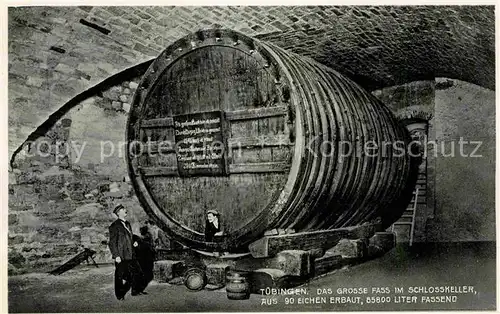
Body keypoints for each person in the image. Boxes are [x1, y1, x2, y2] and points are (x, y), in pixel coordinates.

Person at [108, 204, 145, 300]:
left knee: (137, 272)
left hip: (131, 253)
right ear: (119, 213)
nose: (125, 210)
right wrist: (116, 255)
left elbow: (129, 238)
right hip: (121, 255)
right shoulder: (114, 226)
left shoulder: (127, 224)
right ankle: (119, 295)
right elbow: (112, 243)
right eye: (123, 209)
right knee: (119, 276)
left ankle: (135, 291)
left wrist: (134, 243)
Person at [135, 226, 155, 292]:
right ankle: (140, 289)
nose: (140, 232)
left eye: (141, 230)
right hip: (146, 259)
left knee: (146, 275)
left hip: (145, 259)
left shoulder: (143, 239)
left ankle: (140, 289)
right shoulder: (147, 238)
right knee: (147, 275)